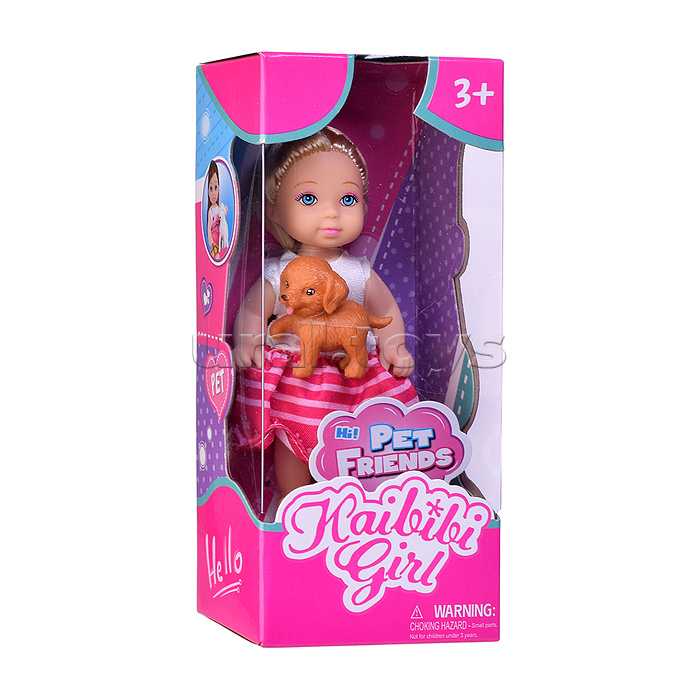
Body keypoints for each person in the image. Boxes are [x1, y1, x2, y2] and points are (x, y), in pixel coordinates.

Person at [233, 127, 416, 500]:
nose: (331, 212)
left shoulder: (360, 272)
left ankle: (352, 497)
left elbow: (385, 310)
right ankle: (293, 498)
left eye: (347, 199)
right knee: (292, 437)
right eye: (309, 199)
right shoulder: (278, 273)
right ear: (274, 209)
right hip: (297, 378)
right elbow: (254, 310)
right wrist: (248, 343)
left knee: (359, 440)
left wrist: (393, 346)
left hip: (355, 375)